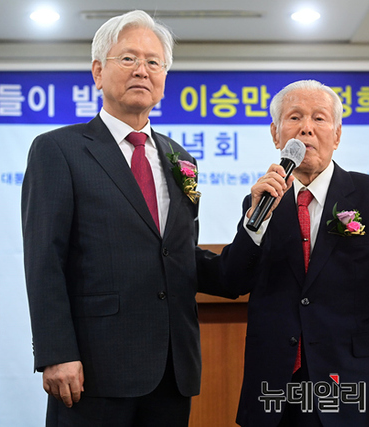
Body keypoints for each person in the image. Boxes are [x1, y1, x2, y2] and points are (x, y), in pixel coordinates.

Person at [21, 10, 260, 426]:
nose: (142, 70)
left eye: (154, 62)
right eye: (128, 58)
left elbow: (178, 255)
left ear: (164, 77)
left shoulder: (180, 159)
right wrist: (57, 353)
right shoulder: (58, 150)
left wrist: (254, 227)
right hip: (94, 368)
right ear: (98, 72)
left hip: (172, 368)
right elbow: (45, 259)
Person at [230, 79, 369, 427]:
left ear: (337, 135)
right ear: (276, 134)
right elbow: (233, 279)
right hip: (275, 384)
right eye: (294, 117)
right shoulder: (260, 202)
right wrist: (253, 224)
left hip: (351, 380)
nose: (306, 128)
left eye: (319, 118)